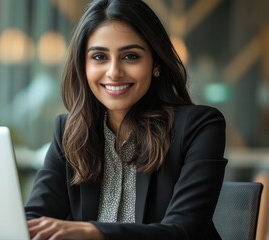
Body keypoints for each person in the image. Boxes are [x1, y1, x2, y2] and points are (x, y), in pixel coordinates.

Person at [25, 0, 227, 239]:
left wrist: (93, 232)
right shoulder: (69, 131)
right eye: (99, 57)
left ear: (156, 63)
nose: (113, 72)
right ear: (83, 66)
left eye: (130, 56)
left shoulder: (199, 126)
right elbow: (34, 219)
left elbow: (183, 231)